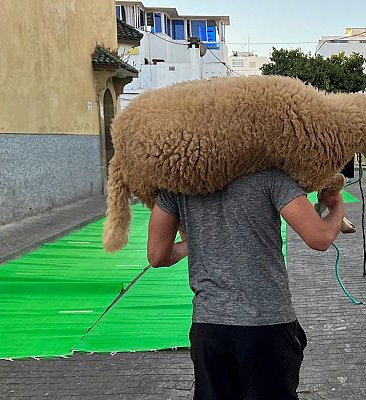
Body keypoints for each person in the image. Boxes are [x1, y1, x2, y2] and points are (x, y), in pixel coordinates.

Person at [147, 169, 345, 399]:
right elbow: (319, 238)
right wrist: (336, 206)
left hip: (210, 328)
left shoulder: (179, 183)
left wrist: (195, 242)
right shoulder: (271, 176)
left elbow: (157, 256)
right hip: (267, 326)